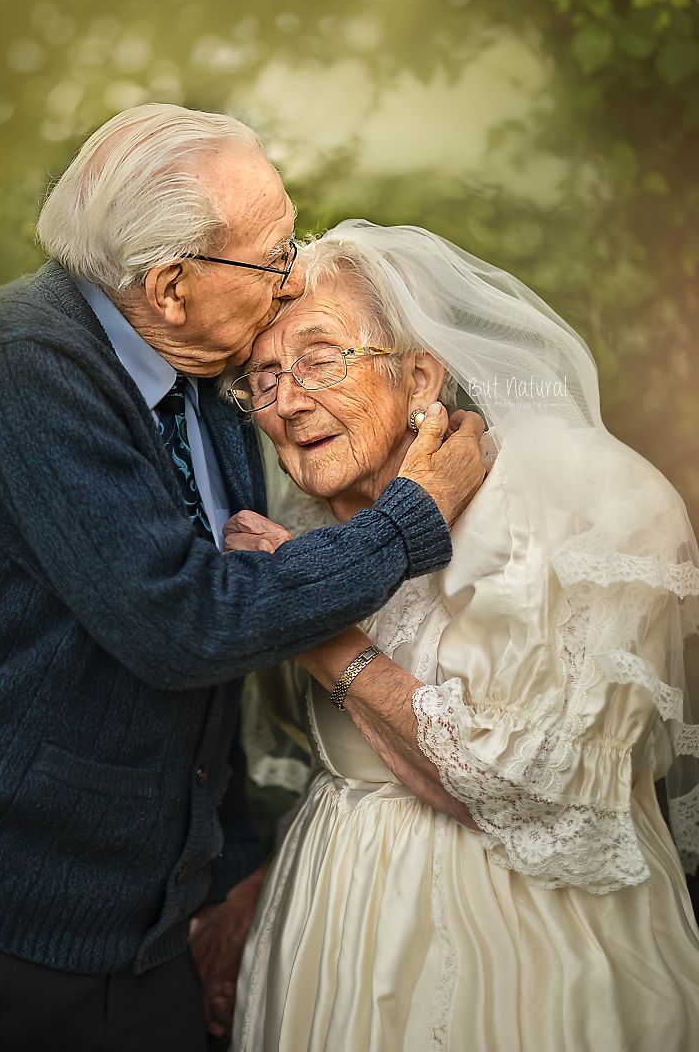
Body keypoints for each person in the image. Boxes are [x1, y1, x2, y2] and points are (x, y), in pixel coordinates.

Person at [0, 110, 485, 1052]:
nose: (292, 277)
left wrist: (228, 868)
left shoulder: (202, 378)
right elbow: (184, 626)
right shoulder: (25, 366)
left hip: (126, 925)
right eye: (272, 257)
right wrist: (409, 521)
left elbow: (203, 655)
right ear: (171, 286)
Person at [227, 221, 699, 1052]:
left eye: (320, 358)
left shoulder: (580, 499)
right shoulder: (296, 522)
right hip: (334, 941)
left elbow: (538, 796)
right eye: (263, 378)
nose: (289, 401)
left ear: (419, 375)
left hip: (532, 955)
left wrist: (310, 621)